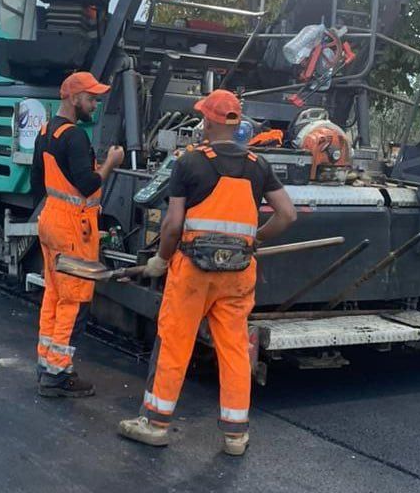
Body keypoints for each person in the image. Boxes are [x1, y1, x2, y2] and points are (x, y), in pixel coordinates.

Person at [118, 90, 297, 456]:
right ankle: (235, 436)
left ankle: (154, 423)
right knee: (233, 348)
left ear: (210, 121)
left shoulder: (190, 162)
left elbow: (172, 225)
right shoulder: (258, 165)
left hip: (193, 272)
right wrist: (254, 240)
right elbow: (288, 215)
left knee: (174, 342)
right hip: (238, 273)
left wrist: (160, 261)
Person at [31, 71, 124, 397]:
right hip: (74, 228)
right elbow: (88, 184)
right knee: (75, 302)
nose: (95, 105)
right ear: (73, 98)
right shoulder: (75, 137)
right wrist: (110, 162)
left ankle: (46, 364)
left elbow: (35, 184)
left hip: (51, 220)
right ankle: (57, 377)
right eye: (91, 98)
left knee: (54, 297)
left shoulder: (45, 132)